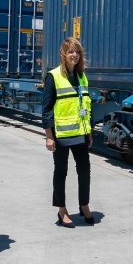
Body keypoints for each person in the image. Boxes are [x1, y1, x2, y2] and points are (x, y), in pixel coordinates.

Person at [42, 37, 94, 228]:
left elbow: (87, 106)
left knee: (84, 170)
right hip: (61, 135)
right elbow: (46, 109)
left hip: (80, 133)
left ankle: (84, 205)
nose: (75, 55)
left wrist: (89, 132)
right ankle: (62, 210)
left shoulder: (81, 76)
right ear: (63, 54)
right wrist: (49, 136)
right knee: (61, 172)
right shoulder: (53, 76)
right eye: (71, 51)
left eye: (77, 52)